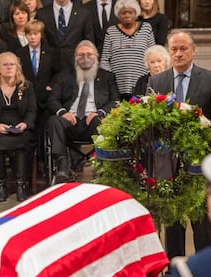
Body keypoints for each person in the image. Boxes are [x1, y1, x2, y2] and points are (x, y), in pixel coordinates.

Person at [148, 29, 211, 258]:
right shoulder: (157, 81)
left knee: (201, 222)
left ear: (193, 50)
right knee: (172, 224)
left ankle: (206, 270)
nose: (179, 54)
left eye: (183, 49)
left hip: (200, 165)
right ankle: (175, 275)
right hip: (167, 165)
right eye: (174, 49)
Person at [47, 40, 119, 183]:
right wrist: (63, 112)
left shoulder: (107, 77)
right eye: (81, 55)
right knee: (54, 120)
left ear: (96, 57)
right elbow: (52, 99)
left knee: (101, 121)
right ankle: (63, 167)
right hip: (70, 122)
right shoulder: (64, 76)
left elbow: (115, 101)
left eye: (89, 54)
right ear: (75, 58)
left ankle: (102, 167)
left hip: (94, 122)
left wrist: (100, 112)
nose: (85, 58)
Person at [0, 51, 36, 202]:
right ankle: (0, 187)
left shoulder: (26, 86)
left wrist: (25, 124)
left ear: (17, 67)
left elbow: (32, 111)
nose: (9, 67)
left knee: (23, 143)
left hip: (20, 128)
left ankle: (21, 186)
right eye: (5, 64)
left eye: (12, 64)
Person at [15, 18, 57, 159]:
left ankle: (43, 160)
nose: (32, 37)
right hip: (27, 98)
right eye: (29, 34)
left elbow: (58, 73)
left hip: (45, 98)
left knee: (43, 129)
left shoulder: (51, 52)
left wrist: (51, 85)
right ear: (25, 35)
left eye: (35, 34)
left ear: (41, 34)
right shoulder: (19, 53)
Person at [100, 0, 154, 100]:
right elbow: (104, 60)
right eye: (123, 12)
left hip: (142, 84)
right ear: (118, 15)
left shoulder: (146, 28)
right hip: (117, 86)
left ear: (136, 13)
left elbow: (152, 55)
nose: (127, 15)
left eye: (130, 12)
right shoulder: (111, 31)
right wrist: (112, 79)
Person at [35, 0, 94, 73]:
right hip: (49, 70)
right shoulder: (41, 14)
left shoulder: (84, 13)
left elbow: (88, 42)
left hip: (76, 68)